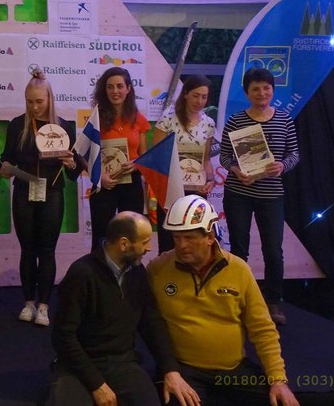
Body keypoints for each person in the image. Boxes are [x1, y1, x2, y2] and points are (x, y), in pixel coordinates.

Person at [147, 195, 299, 406]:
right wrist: (168, 370)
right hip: (184, 370)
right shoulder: (158, 269)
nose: (181, 245)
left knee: (279, 401)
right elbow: (147, 323)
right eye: (176, 237)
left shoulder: (238, 269)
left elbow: (262, 329)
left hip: (233, 369)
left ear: (210, 237)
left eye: (189, 238)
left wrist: (278, 379)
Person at [49, 211, 199, 406]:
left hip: (122, 362)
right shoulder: (82, 273)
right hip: (78, 365)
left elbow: (151, 322)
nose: (149, 248)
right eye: (145, 242)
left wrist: (170, 369)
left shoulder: (138, 272)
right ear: (124, 244)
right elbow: (63, 336)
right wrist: (97, 384)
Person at [0, 68, 83, 327]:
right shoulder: (17, 125)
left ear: (49, 99)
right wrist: (4, 168)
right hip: (24, 193)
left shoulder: (64, 127)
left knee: (47, 250)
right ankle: (28, 303)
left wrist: (71, 163)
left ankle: (44, 305)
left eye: (39, 101)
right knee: (27, 250)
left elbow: (75, 171)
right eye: (29, 102)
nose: (34, 107)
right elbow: (5, 160)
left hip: (53, 193)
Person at [219, 68, 299, 325]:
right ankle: (237, 299)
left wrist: (282, 166)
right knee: (238, 249)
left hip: (271, 194)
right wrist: (235, 169)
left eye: (266, 88)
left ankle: (273, 301)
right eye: (255, 88)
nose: (261, 93)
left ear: (272, 90)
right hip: (238, 193)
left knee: (273, 251)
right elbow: (224, 156)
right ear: (247, 93)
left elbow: (294, 154)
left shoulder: (284, 120)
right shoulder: (236, 121)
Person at [88, 67, 150, 252]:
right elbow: (85, 156)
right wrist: (99, 178)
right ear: (104, 90)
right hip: (104, 185)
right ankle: (99, 270)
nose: (115, 91)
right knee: (101, 238)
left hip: (131, 186)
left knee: (132, 236)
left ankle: (131, 271)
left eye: (120, 86)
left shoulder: (139, 119)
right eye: (110, 87)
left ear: (128, 89)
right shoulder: (95, 119)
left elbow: (144, 156)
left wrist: (137, 164)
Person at [153, 75, 216, 253]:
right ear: (186, 94)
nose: (200, 101)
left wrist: (210, 179)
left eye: (204, 97)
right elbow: (157, 155)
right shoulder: (168, 118)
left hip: (197, 191)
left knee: (195, 241)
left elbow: (206, 159)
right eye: (196, 95)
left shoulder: (209, 124)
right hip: (171, 191)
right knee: (168, 242)